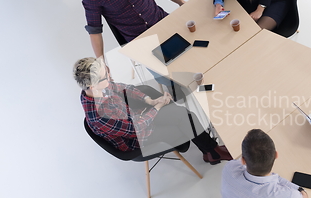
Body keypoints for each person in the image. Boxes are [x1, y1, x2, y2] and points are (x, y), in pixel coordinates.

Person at [73, 57, 232, 164]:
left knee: (184, 115)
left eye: (107, 72)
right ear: (92, 86)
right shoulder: (100, 117)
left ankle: (211, 150)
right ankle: (211, 150)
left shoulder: (100, 87)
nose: (110, 78)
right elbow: (135, 129)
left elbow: (125, 88)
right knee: (183, 121)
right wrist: (157, 107)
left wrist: (149, 100)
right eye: (105, 77)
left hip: (136, 118)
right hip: (138, 140)